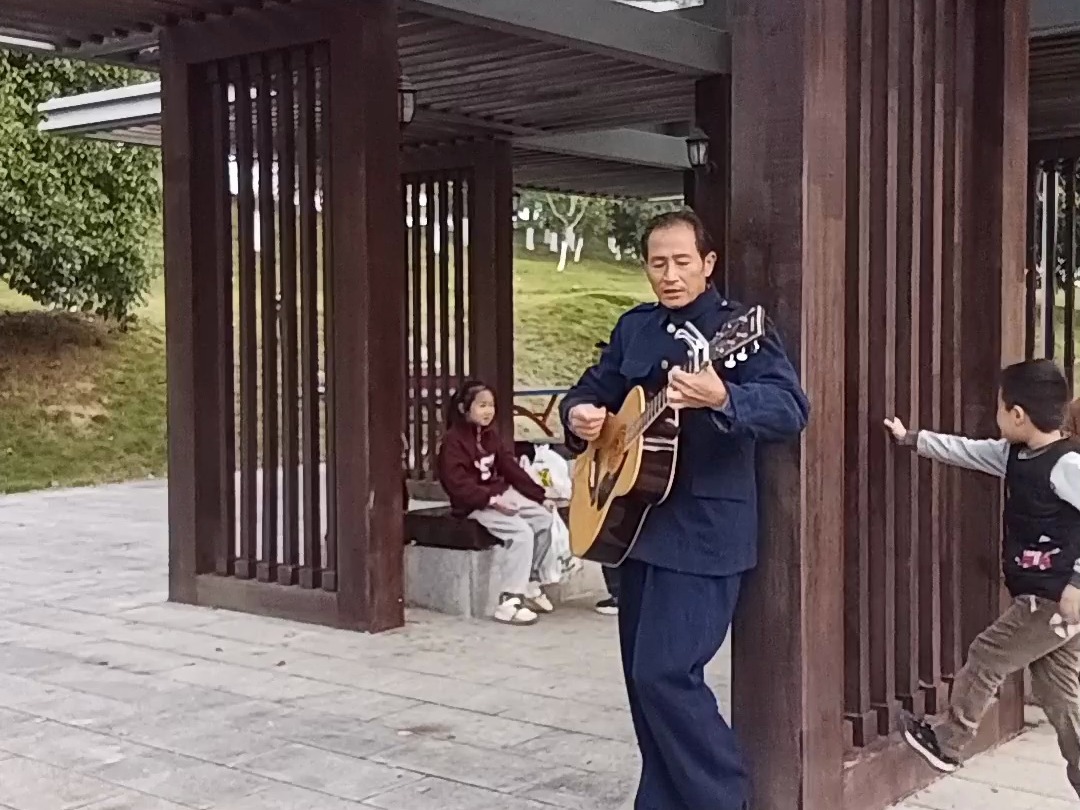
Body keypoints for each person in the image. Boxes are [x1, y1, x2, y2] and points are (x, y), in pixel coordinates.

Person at [560, 209, 809, 810]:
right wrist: (581, 417)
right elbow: (593, 390)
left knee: (666, 676)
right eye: (657, 263)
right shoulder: (636, 329)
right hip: (631, 529)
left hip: (704, 531)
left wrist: (724, 395)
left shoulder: (739, 330)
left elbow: (790, 409)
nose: (669, 275)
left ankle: (725, 799)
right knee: (640, 684)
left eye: (681, 262)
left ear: (708, 264)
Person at [885, 358, 1080, 797]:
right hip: (1048, 599)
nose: (996, 417)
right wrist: (913, 439)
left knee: (988, 653)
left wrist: (1077, 585)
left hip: (1053, 599)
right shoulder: (1015, 455)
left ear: (1017, 414)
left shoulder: (1067, 464)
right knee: (1059, 693)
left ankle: (949, 742)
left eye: (999, 408)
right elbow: (968, 451)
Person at [437, 380, 556, 626]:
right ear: (464, 408)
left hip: (499, 496)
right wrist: (491, 500)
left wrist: (540, 496)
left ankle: (530, 582)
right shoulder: (452, 442)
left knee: (543, 519)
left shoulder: (491, 436)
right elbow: (458, 486)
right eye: (482, 405)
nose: (488, 411)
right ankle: (510, 599)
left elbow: (510, 468)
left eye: (491, 405)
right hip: (473, 505)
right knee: (521, 533)